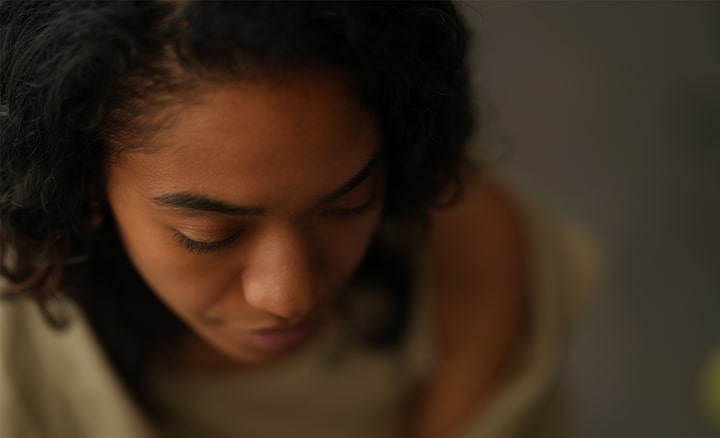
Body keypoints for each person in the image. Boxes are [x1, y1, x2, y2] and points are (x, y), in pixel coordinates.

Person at [0, 1, 597, 437]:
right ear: (81, 186)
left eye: (348, 205)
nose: (290, 296)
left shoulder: (463, 247)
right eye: (209, 234)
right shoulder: (15, 356)